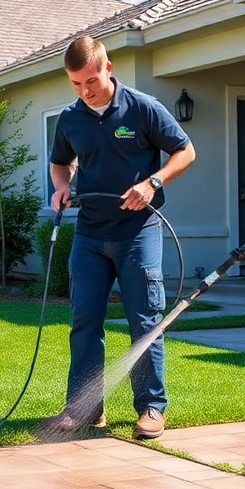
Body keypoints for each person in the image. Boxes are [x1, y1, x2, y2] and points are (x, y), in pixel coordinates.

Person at [41, 35, 196, 439]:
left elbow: (185, 151)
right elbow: (60, 163)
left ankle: (151, 407)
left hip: (138, 232)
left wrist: (153, 182)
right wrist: (61, 186)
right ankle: (85, 410)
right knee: (84, 320)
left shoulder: (143, 108)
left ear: (107, 68)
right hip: (89, 234)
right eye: (75, 83)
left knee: (144, 321)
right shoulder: (70, 118)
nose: (84, 90)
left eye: (90, 80)